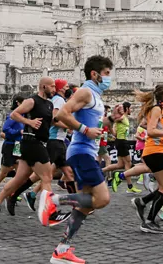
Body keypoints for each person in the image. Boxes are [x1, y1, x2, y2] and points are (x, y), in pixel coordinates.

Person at [45, 55, 113, 263]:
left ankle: (62, 250)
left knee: (85, 206)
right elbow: (61, 115)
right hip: (81, 151)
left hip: (87, 151)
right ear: (95, 74)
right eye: (107, 74)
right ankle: (53, 199)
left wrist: (111, 119)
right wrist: (85, 130)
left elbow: (92, 124)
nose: (109, 78)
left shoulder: (95, 95)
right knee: (102, 199)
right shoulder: (85, 91)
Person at [0, 77, 64, 226]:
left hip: (37, 142)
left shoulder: (49, 104)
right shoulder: (31, 101)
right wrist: (29, 122)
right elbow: (14, 114)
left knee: (19, 179)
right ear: (43, 87)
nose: (55, 89)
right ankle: (51, 212)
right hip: (32, 142)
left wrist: (71, 124)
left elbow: (52, 121)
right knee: (47, 177)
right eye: (52, 86)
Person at [130, 83, 163, 234]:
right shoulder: (156, 109)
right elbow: (151, 131)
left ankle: (142, 201)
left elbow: (159, 133)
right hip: (154, 152)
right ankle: (149, 221)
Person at [0, 96, 24, 196]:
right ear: (18, 103)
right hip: (10, 146)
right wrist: (18, 132)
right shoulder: (13, 115)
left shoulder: (23, 116)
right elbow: (5, 129)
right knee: (3, 173)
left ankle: (12, 194)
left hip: (18, 146)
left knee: (19, 173)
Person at [48, 79, 76, 194]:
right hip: (54, 139)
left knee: (68, 172)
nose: (67, 88)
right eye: (65, 86)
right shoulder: (59, 100)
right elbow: (54, 120)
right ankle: (23, 193)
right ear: (60, 88)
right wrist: (68, 125)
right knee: (44, 174)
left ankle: (76, 202)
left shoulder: (58, 100)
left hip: (59, 139)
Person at [102, 102, 138, 193]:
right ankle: (129, 186)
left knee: (120, 165)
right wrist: (116, 112)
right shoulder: (122, 118)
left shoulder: (124, 118)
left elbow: (114, 131)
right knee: (128, 163)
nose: (131, 110)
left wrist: (112, 131)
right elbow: (112, 120)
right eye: (130, 108)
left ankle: (99, 171)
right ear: (126, 109)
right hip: (122, 142)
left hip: (120, 141)